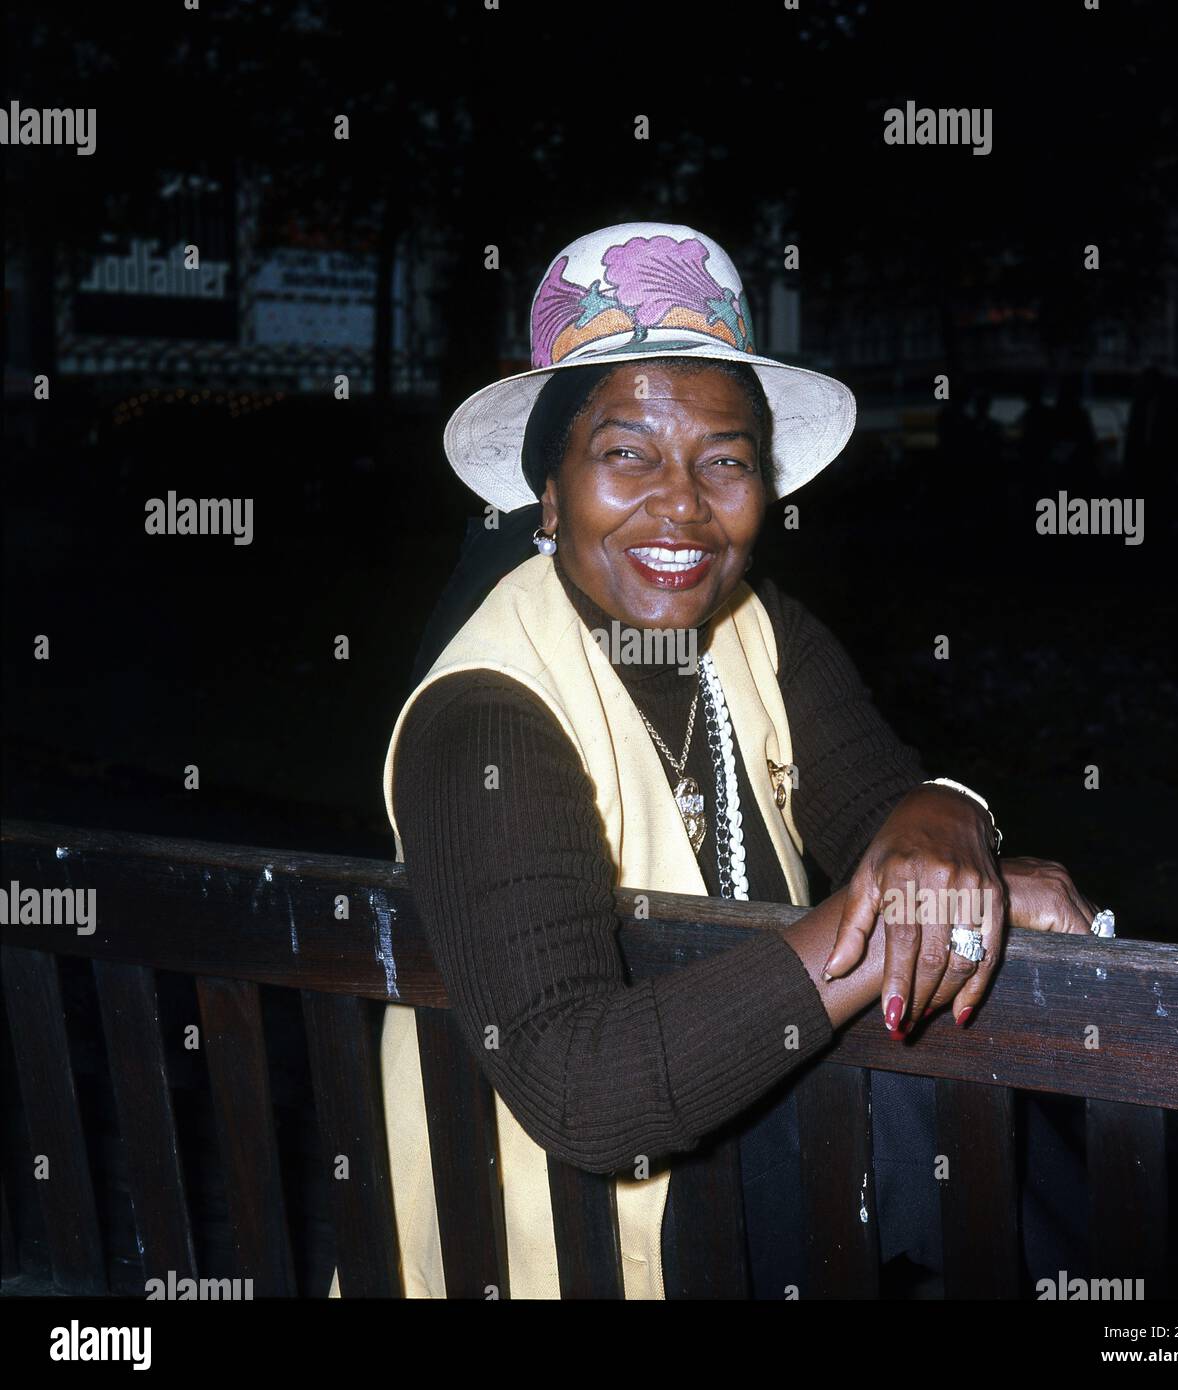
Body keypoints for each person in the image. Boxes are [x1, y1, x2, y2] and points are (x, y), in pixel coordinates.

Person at [329, 222, 1109, 1300]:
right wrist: (881, 927)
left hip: (755, 1171)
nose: (683, 503)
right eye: (625, 453)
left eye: (724, 459)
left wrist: (946, 826)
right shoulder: (485, 716)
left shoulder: (754, 625)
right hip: (575, 1247)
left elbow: (877, 804)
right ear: (546, 495)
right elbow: (580, 1094)